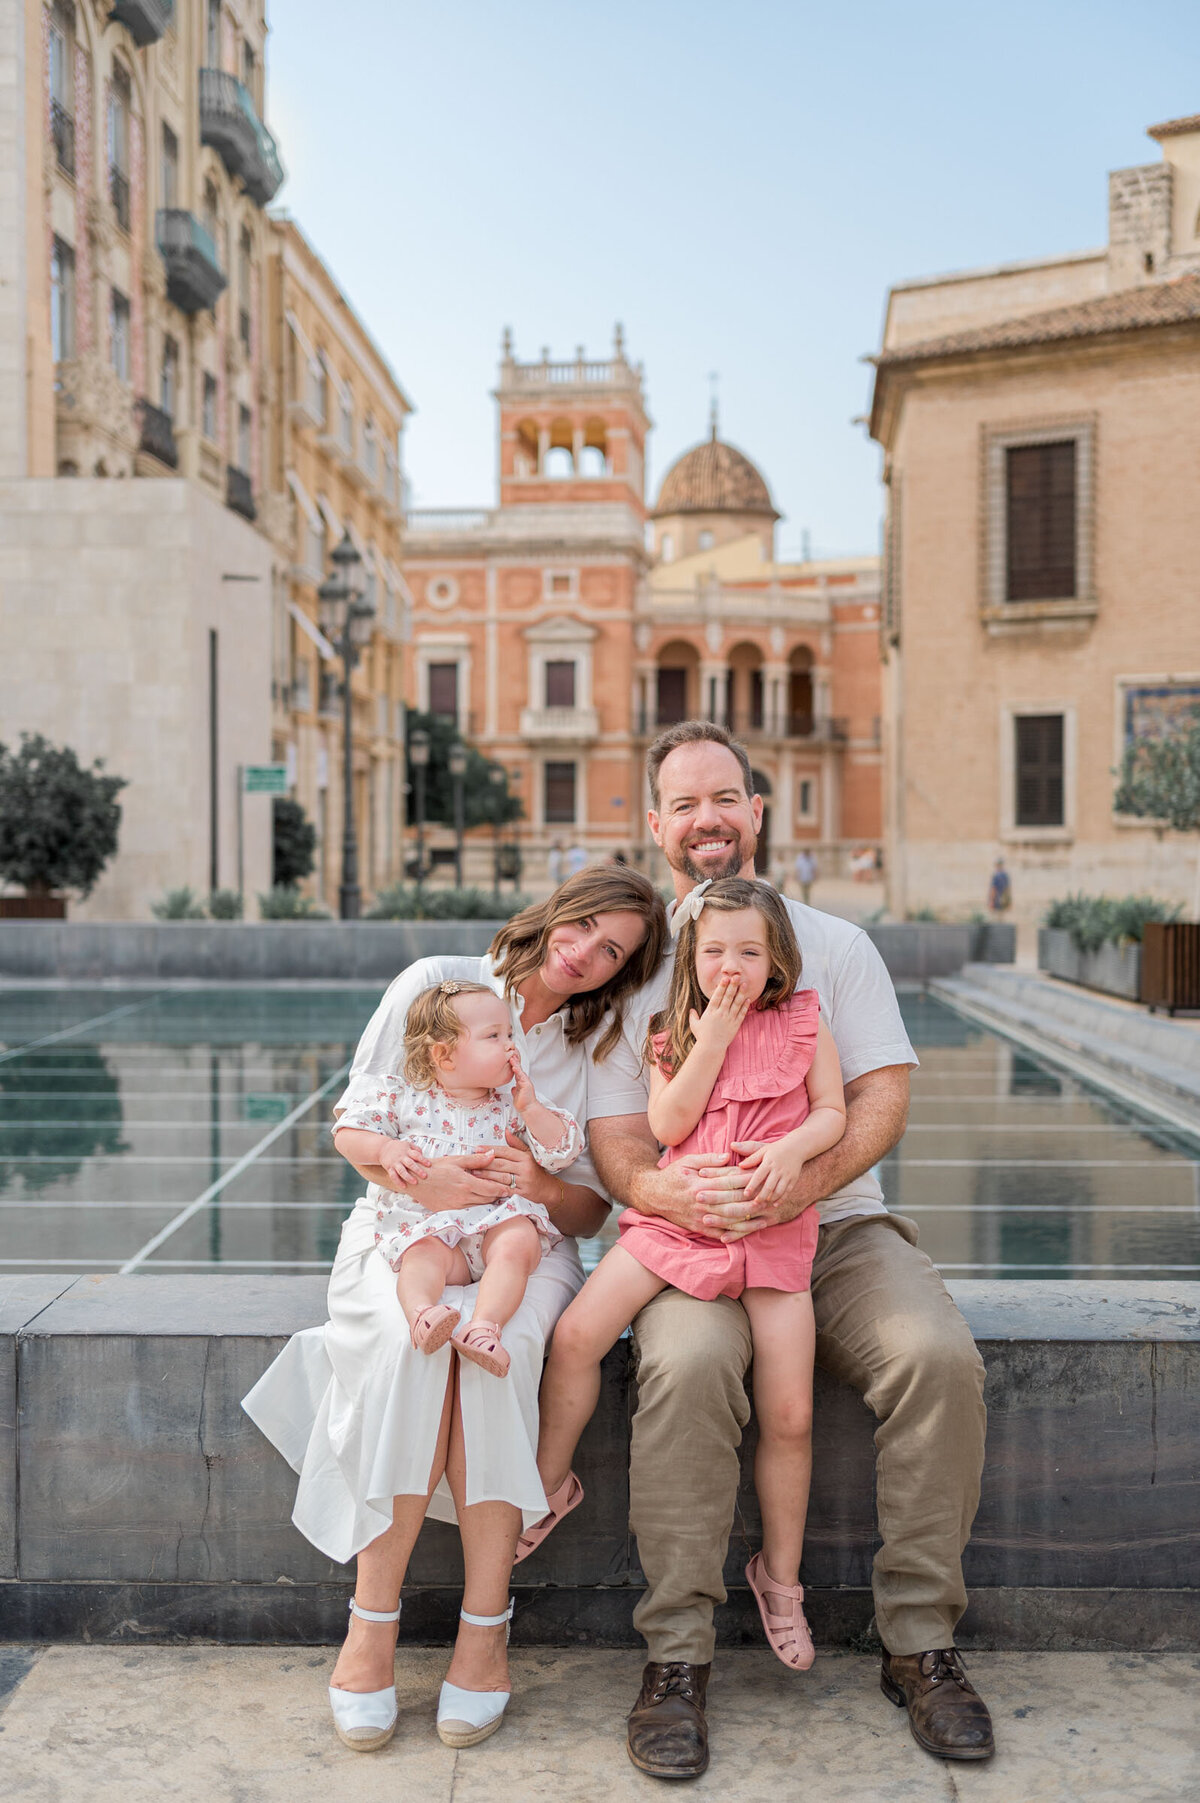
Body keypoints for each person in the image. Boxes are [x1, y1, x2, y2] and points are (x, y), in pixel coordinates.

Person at [586, 721, 992, 1779]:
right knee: (681, 1367)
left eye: (726, 797)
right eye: (684, 804)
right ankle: (677, 1659)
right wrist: (666, 1191)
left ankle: (922, 1645)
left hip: (837, 1222)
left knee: (937, 1360)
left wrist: (794, 1184)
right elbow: (620, 1137)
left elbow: (880, 1098)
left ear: (757, 811)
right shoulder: (639, 966)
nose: (708, 820)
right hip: (696, 1233)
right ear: (657, 825)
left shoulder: (833, 945)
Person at [242, 867, 666, 1754]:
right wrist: (426, 1180)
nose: (584, 950)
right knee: (410, 1346)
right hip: (407, 1229)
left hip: (524, 1238)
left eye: (613, 951)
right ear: (560, 910)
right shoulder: (435, 983)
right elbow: (355, 1123)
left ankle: (486, 1628)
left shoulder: (598, 1049)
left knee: (496, 1346)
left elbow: (589, 1211)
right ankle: (372, 1622)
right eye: (584, 924)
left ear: (621, 972)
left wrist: (538, 1181)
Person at [522, 878, 845, 1677]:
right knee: (576, 1334)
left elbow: (832, 1113)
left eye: (747, 951)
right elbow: (666, 1126)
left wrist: (790, 1151)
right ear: (691, 960)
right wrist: (712, 1035)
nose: (729, 966)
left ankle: (780, 1577)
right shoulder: (671, 1028)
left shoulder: (806, 1019)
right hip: (676, 1223)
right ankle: (549, 1482)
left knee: (792, 1412)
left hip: (772, 1232)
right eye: (713, 952)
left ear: (776, 958)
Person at [332, 980, 584, 1377]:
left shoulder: (512, 1105)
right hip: (431, 1226)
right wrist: (385, 1150)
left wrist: (533, 1109)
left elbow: (563, 1150)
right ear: (444, 1055)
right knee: (421, 1255)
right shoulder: (404, 1097)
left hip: (496, 1225)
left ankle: (485, 1327)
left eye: (509, 1034)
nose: (510, 1046)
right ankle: (422, 1314)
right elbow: (348, 1132)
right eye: (493, 1036)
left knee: (518, 1240)